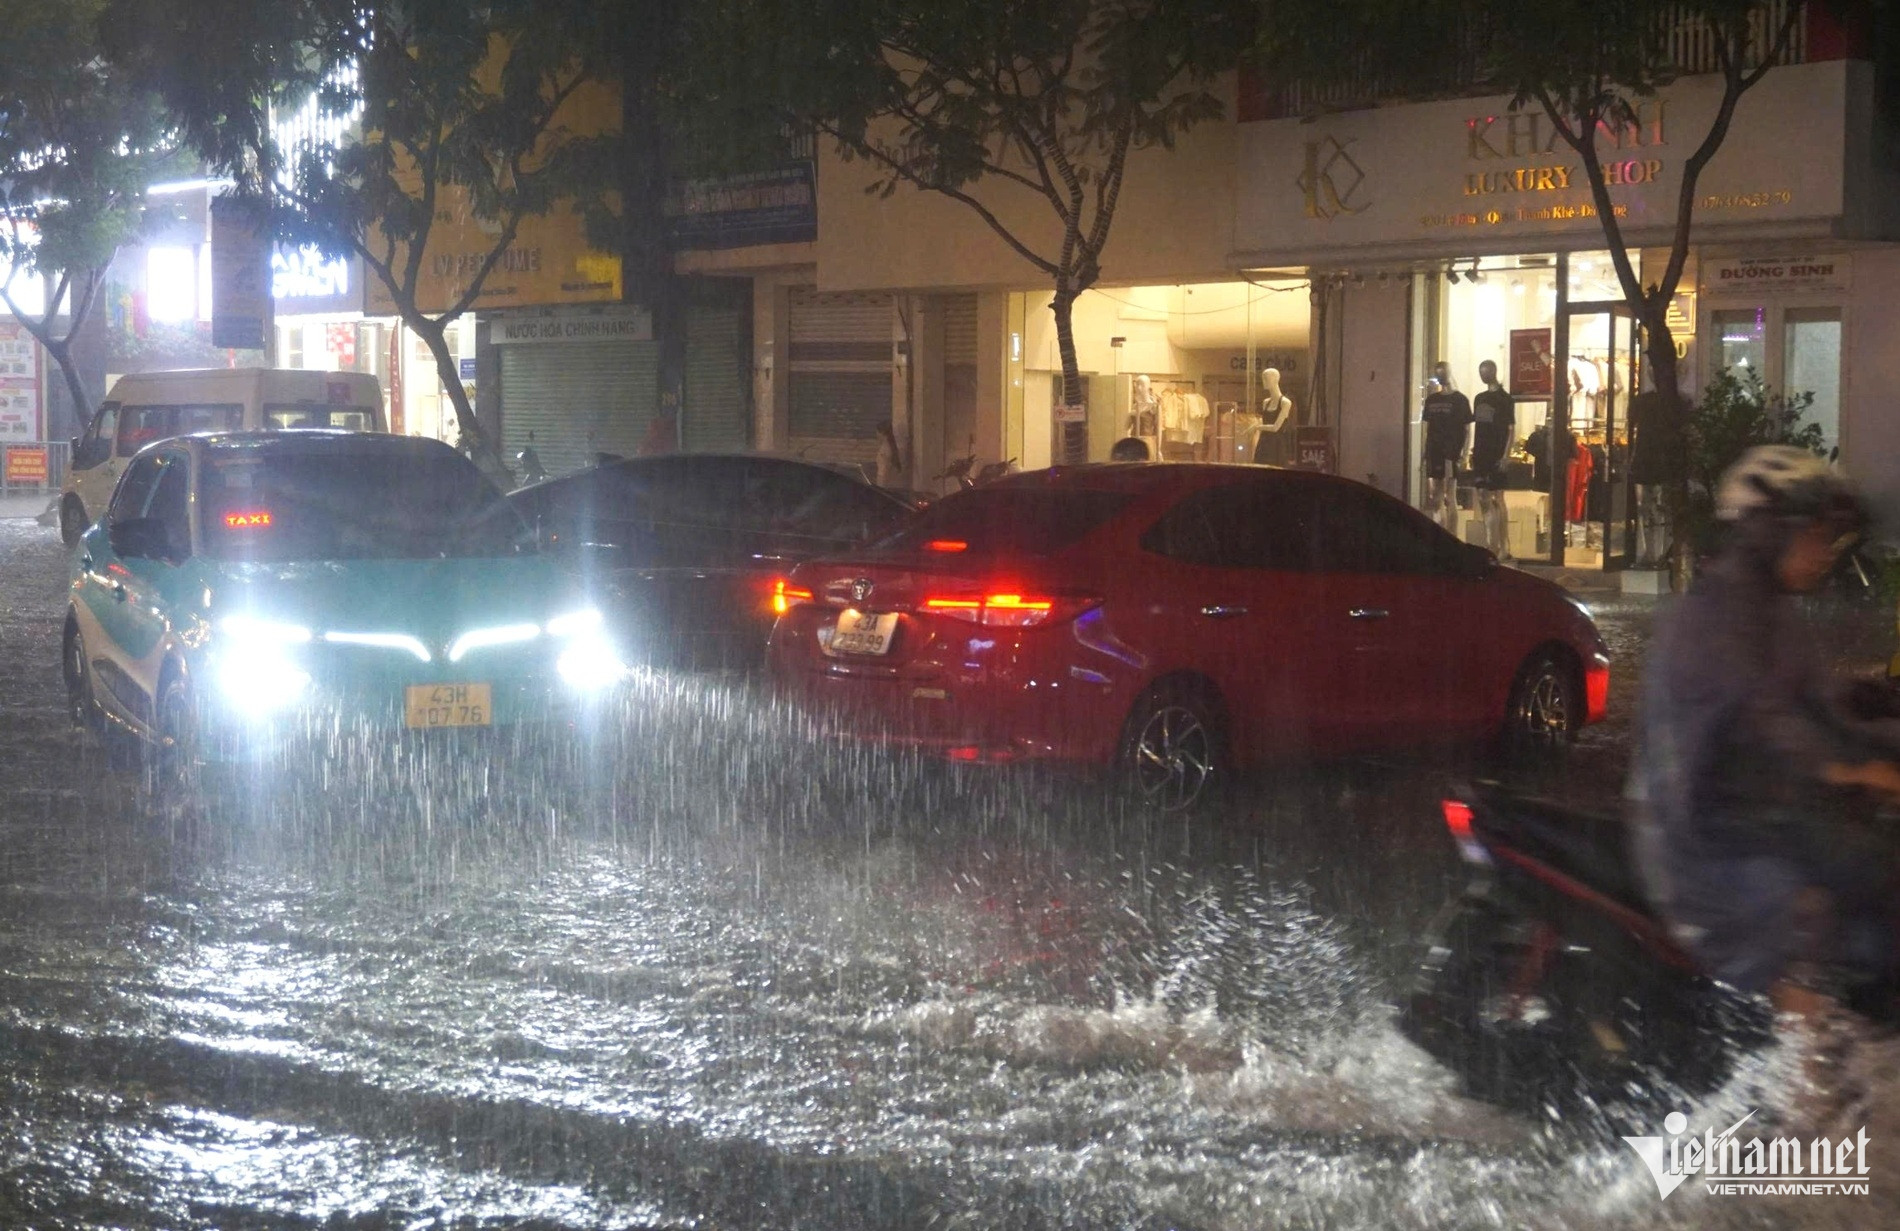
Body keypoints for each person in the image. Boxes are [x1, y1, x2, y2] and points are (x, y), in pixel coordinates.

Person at [1631, 446, 1900, 1022]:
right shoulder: (1714, 614)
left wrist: (1880, 735)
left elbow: (1824, 712)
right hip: (1707, 845)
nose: (1825, 553)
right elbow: (1763, 720)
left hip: (1762, 822)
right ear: (1769, 533)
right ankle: (1809, 1067)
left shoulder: (1773, 612)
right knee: (1823, 914)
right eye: (1816, 536)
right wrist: (1849, 768)